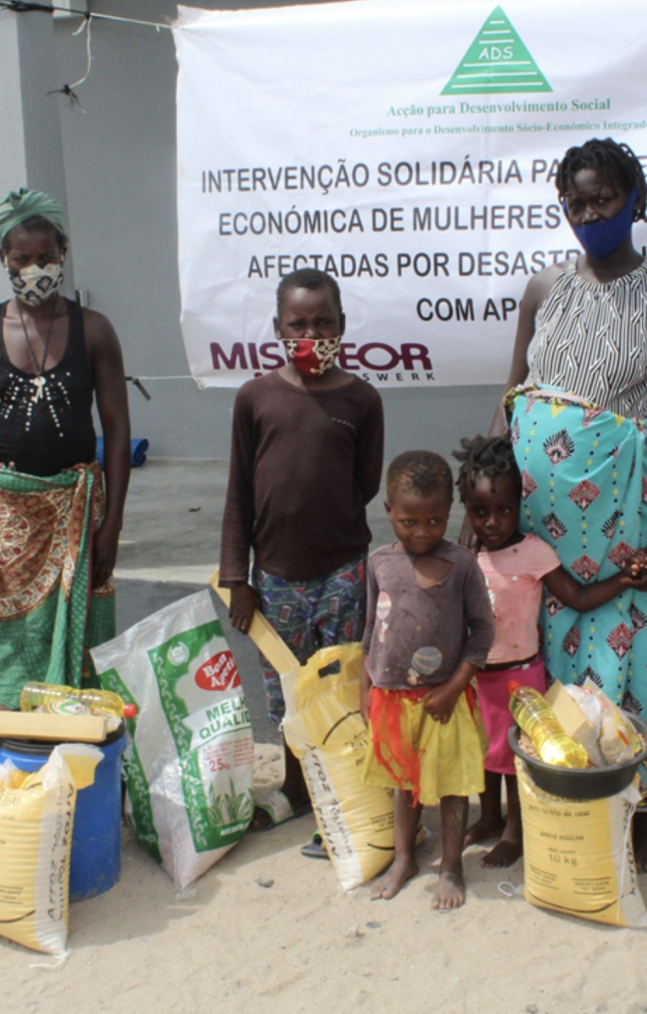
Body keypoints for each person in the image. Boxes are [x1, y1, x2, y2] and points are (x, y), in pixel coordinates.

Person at [494, 138, 647, 872]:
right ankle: (565, 796)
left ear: (635, 200)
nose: (588, 214)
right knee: (552, 655)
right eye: (575, 203)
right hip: (546, 524)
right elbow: (514, 398)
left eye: (602, 200)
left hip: (630, 521)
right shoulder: (544, 288)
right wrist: (484, 493)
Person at [220, 268, 384, 846]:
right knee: (288, 694)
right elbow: (240, 492)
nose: (310, 334)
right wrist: (237, 578)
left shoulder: (361, 399)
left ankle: (339, 791)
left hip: (343, 573)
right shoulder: (255, 398)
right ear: (276, 328)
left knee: (338, 692)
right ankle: (296, 787)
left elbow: (363, 484)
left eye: (323, 323)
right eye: (298, 324)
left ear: (342, 326)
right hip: (276, 581)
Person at [0, 188, 130, 708]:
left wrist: (113, 524)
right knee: (13, 640)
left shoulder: (94, 331)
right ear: (3, 261)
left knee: (87, 642)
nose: (36, 269)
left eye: (46, 258)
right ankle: (23, 750)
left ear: (64, 254)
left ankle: (82, 752)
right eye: (22, 259)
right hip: (9, 512)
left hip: (78, 513)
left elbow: (118, 431)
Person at [455, 435, 642, 867]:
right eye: (480, 512)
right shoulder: (465, 557)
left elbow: (576, 597)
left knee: (519, 757)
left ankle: (514, 832)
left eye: (504, 510)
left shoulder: (533, 552)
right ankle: (487, 818)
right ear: (465, 509)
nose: (492, 522)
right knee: (486, 753)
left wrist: (624, 581)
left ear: (520, 503)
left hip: (520, 680)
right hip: (476, 677)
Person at [362, 451, 494, 910]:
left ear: (450, 512)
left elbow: (483, 634)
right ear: (388, 513)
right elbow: (370, 632)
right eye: (409, 522)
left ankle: (452, 866)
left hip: (446, 699)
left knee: (454, 786)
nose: (422, 532)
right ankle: (404, 858)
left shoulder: (462, 565)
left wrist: (454, 688)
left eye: (435, 521)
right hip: (393, 699)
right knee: (403, 784)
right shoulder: (379, 563)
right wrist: (368, 689)